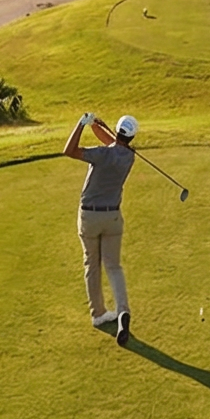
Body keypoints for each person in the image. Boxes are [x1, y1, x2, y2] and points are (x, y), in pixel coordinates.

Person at [64, 112, 140, 345]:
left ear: (117, 131)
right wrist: (98, 124)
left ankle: (98, 314)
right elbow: (112, 141)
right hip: (113, 217)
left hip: (89, 216)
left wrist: (80, 124)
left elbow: (69, 150)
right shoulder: (129, 156)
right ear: (133, 136)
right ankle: (123, 310)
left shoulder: (101, 154)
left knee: (92, 264)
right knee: (114, 266)